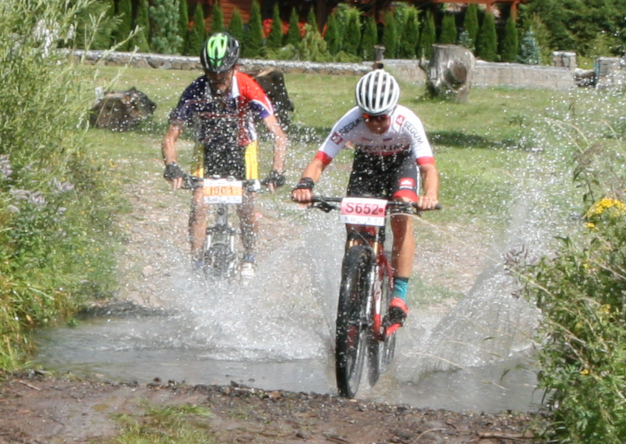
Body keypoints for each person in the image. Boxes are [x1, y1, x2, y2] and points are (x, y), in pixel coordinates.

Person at [290, 69, 439, 326]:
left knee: (401, 213)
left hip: (400, 166)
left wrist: (430, 195)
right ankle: (354, 287)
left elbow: (427, 168)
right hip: (367, 166)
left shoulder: (407, 121)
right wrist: (305, 185)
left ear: (391, 111)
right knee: (356, 228)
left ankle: (399, 295)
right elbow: (319, 160)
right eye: (368, 117)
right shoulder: (350, 121)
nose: (374, 124)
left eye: (381, 118)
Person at [161, 32, 289, 276]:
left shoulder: (249, 88)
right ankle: (196, 264)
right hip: (207, 149)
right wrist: (172, 165)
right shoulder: (195, 91)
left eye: (223, 73)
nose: (217, 79)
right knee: (198, 204)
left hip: (243, 149)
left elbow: (279, 135)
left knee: (246, 204)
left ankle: (249, 258)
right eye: (211, 74)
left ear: (235, 67)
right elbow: (170, 137)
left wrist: (277, 171)